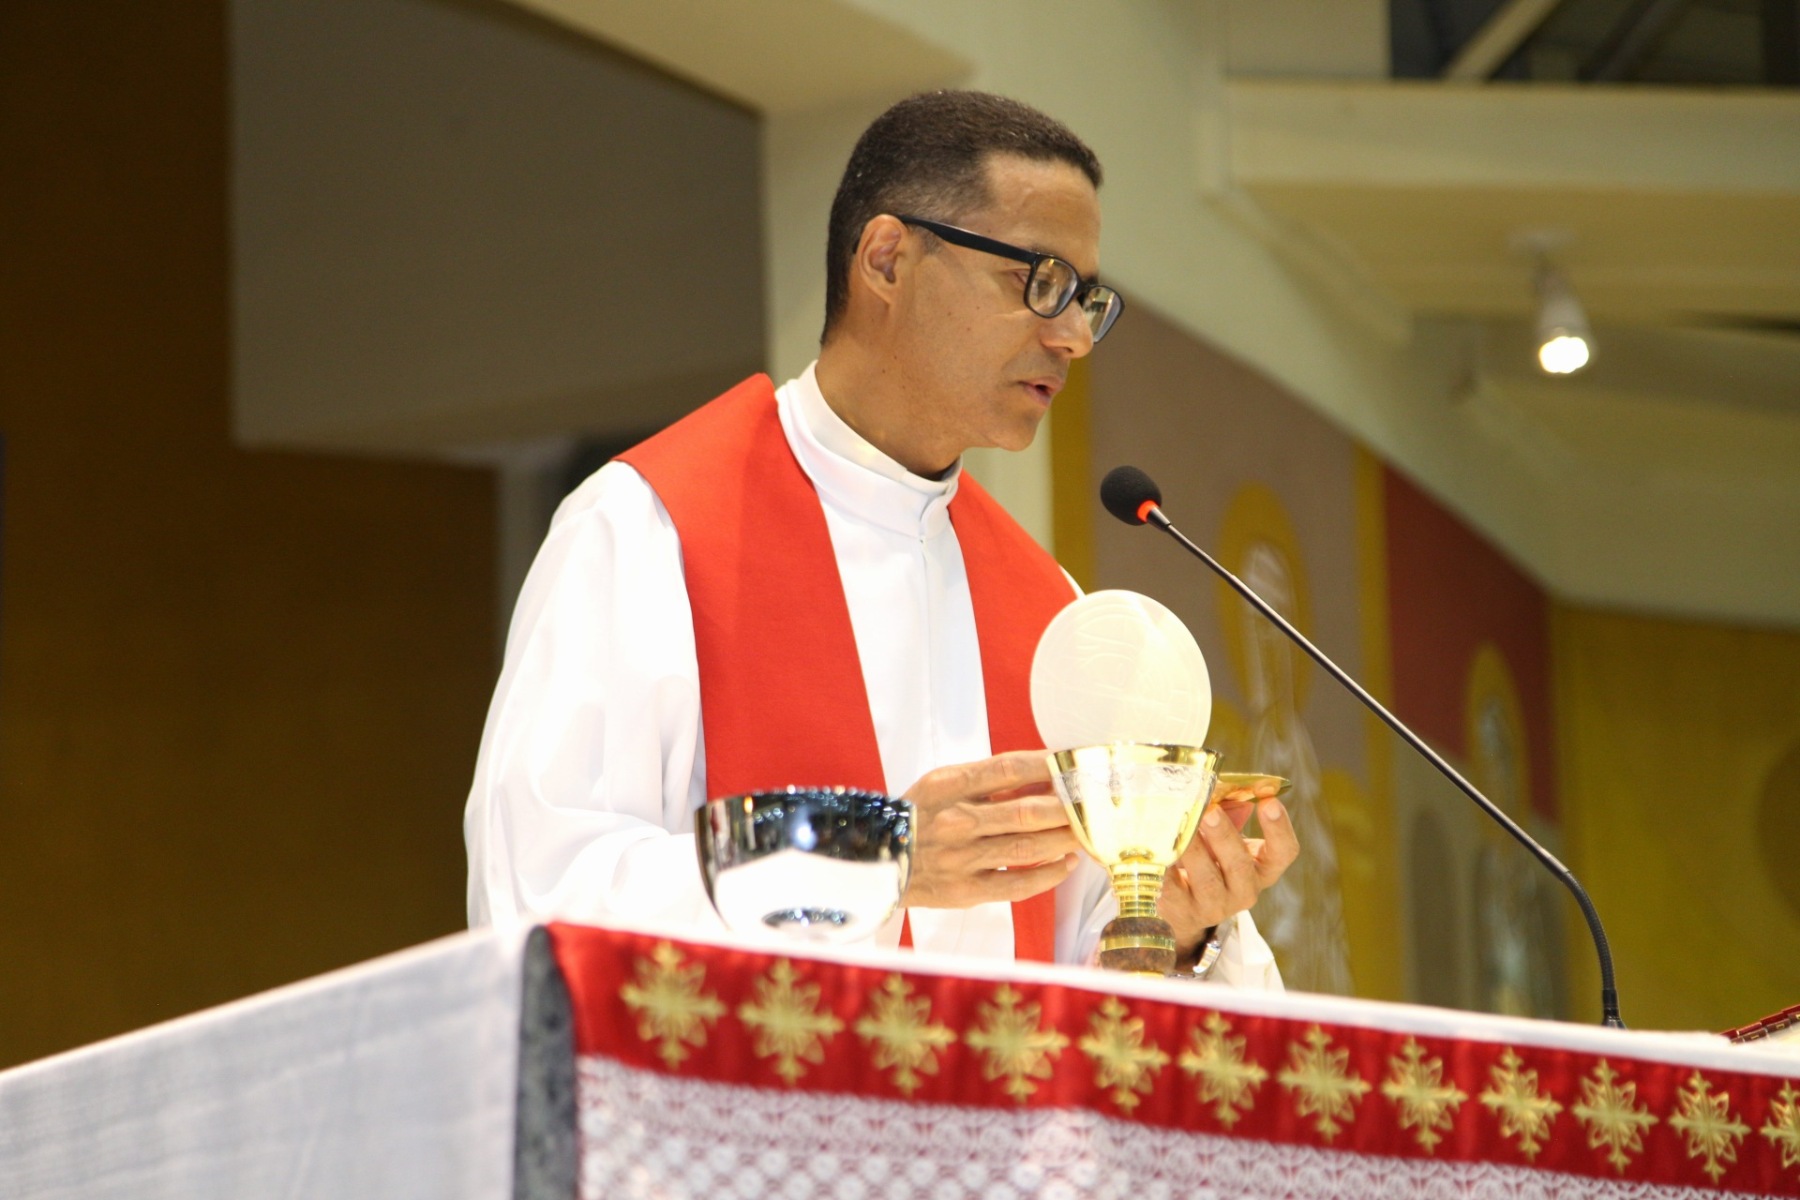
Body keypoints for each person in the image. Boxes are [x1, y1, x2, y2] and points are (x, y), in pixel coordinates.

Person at [464, 90, 1296, 985]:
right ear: (888, 261)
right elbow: (540, 890)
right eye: (1041, 281)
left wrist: (1175, 933)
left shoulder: (1047, 609)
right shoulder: (647, 530)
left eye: (1087, 299)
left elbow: (1080, 978)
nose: (1074, 337)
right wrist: (867, 858)